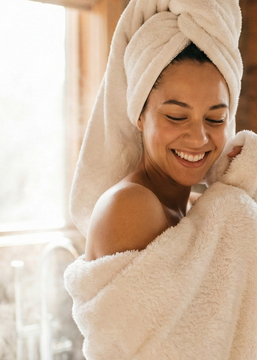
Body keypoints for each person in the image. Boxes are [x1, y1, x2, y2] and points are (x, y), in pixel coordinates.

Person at [85, 42, 242, 262]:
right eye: (176, 117)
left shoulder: (201, 208)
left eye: (215, 119)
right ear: (140, 115)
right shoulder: (129, 207)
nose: (199, 138)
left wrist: (240, 187)